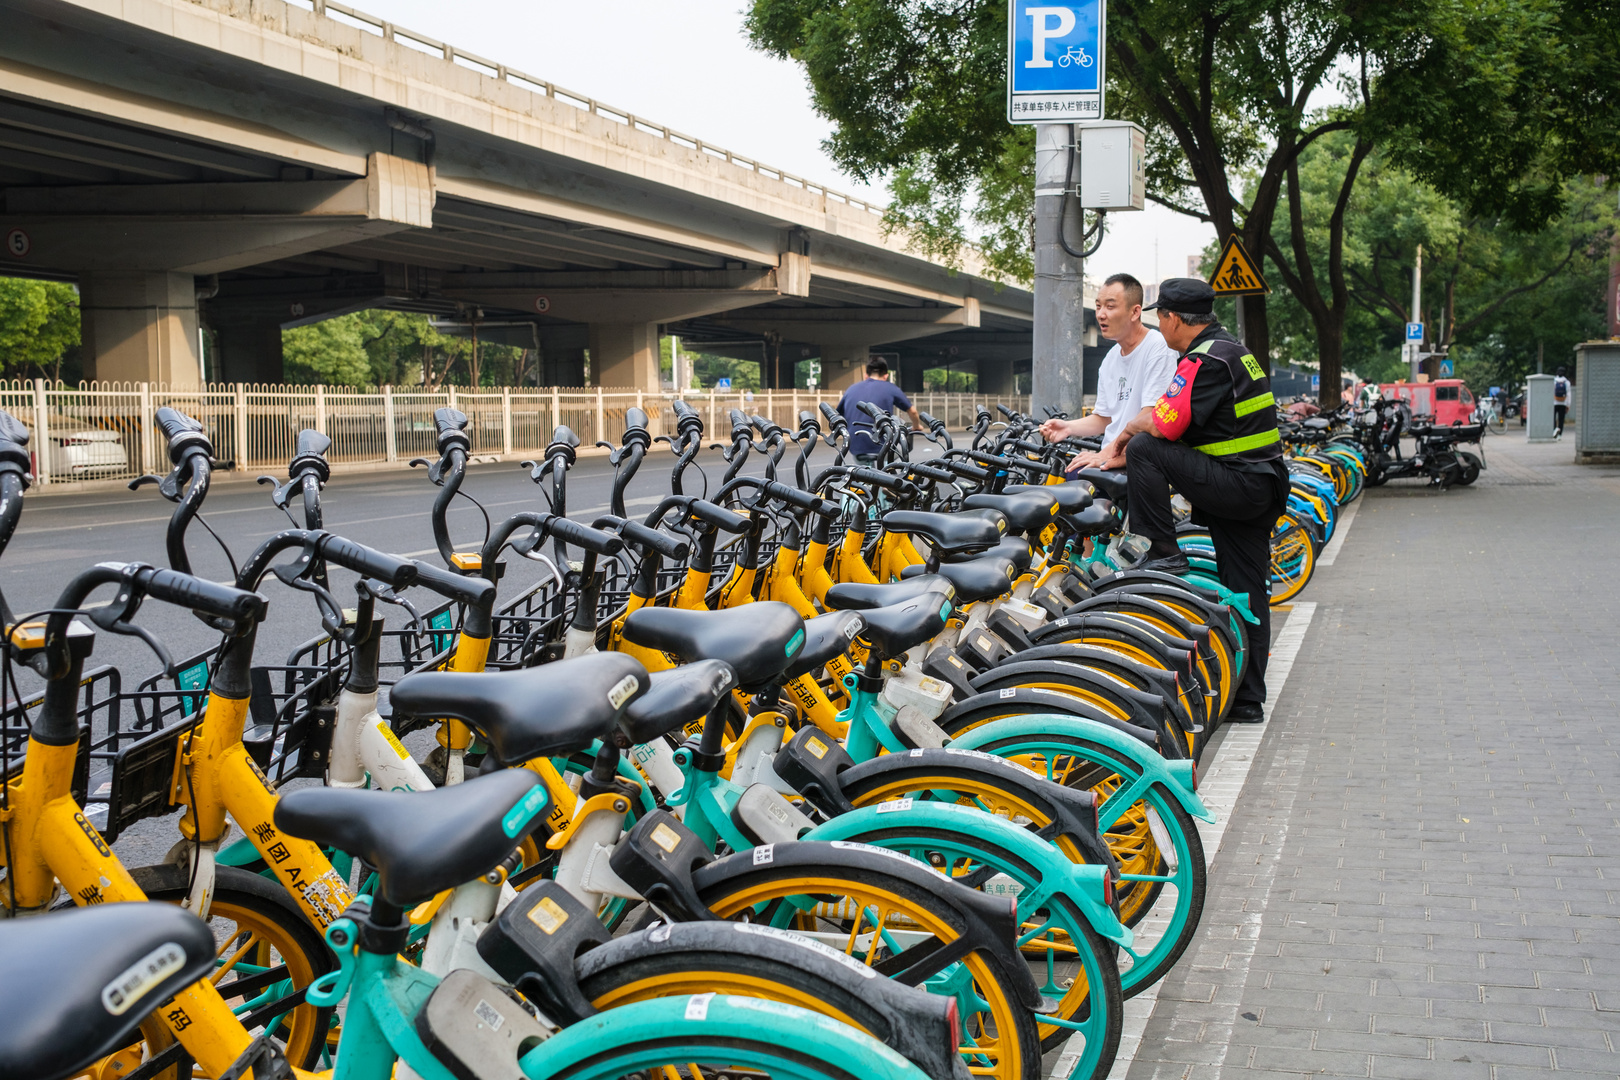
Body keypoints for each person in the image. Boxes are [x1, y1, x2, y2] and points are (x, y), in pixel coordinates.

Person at [1099, 278, 1290, 724]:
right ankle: (1246, 698)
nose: (1160, 327)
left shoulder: (1203, 360)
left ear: (1174, 319)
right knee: (1246, 593)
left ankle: (1161, 551)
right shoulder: (1231, 350)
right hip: (1257, 486)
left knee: (1146, 449)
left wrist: (1125, 435)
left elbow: (1162, 425)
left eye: (1160, 317)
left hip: (1242, 485)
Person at [1039, 273, 1178, 470]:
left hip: (1140, 462)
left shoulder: (1158, 348)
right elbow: (1104, 417)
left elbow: (1150, 416)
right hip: (1110, 461)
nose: (1100, 314)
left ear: (1135, 312)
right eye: (1098, 306)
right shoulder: (1110, 359)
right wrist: (1068, 427)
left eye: (1110, 306)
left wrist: (1104, 454)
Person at [835, 358, 923, 463]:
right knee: (896, 459)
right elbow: (913, 411)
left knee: (863, 474)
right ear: (886, 376)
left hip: (856, 445)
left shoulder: (851, 389)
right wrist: (916, 426)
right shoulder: (890, 388)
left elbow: (837, 416)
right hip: (882, 444)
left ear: (865, 375)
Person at [1553, 366, 1571, 439]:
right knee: (1561, 419)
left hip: (1554, 403)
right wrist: (1568, 405)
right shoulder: (1567, 382)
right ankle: (1559, 435)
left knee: (1553, 418)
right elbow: (1569, 394)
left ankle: (1554, 430)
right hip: (1563, 403)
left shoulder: (1553, 381)